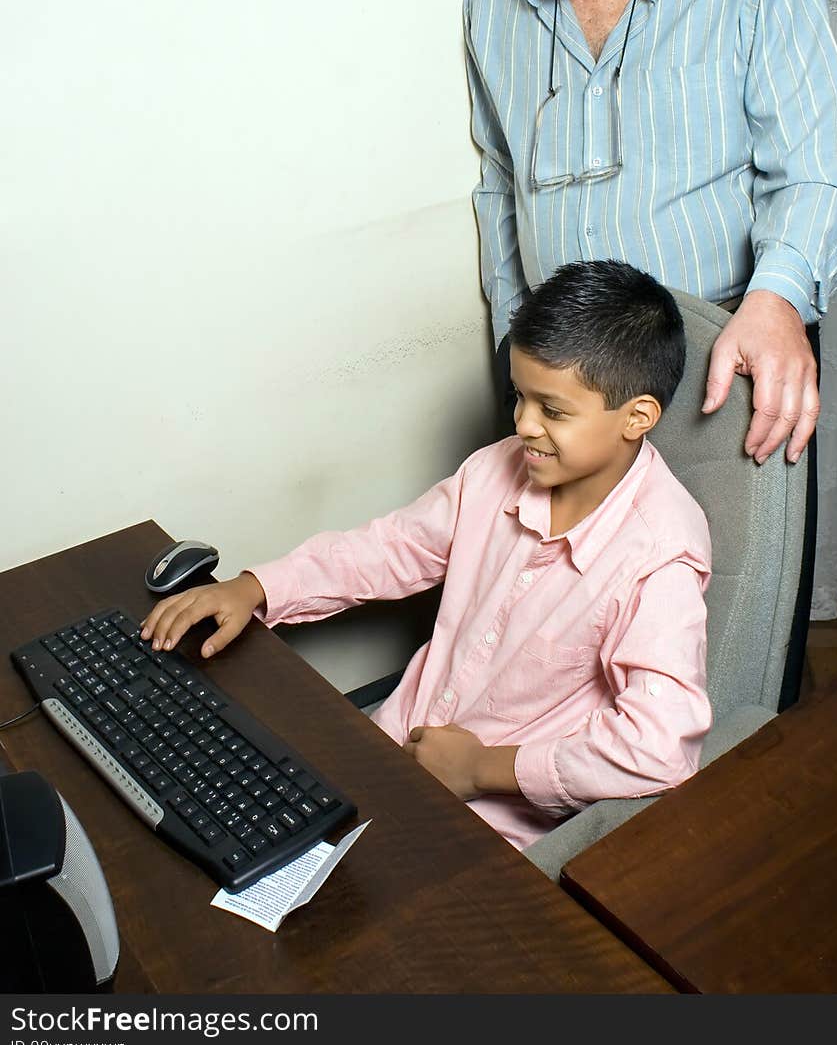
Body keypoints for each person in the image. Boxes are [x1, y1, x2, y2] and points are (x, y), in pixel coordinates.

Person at [465, 0, 837, 705]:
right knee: (583, 643)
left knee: (732, 655)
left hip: (726, 353)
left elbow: (819, 177)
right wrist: (510, 347)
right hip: (564, 370)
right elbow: (498, 184)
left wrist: (777, 301)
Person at [141, 259, 712, 853]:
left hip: (488, 822)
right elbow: (391, 549)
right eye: (520, 396)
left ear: (638, 416)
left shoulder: (661, 554)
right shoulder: (498, 469)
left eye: (553, 411)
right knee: (216, 820)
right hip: (391, 746)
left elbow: (661, 746)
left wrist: (484, 768)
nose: (523, 423)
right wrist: (256, 587)